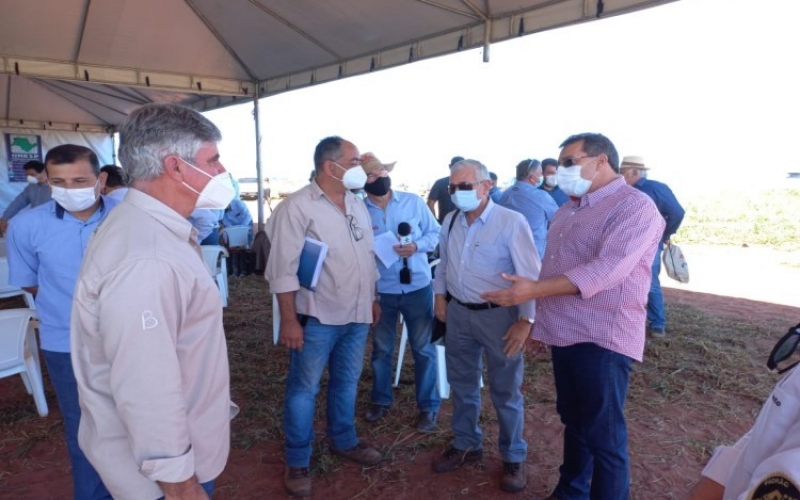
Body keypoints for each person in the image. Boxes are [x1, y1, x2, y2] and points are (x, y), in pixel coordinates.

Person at [70, 103, 238, 500]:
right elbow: (146, 385)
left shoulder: (149, 231)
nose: (221, 170)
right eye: (212, 159)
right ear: (176, 167)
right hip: (162, 480)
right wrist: (179, 485)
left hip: (165, 463)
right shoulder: (148, 257)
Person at [483, 133, 664, 500]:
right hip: (566, 334)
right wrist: (540, 324)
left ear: (601, 161)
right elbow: (555, 268)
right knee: (575, 422)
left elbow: (606, 270)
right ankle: (570, 491)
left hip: (602, 338)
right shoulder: (568, 208)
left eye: (569, 161)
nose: (561, 170)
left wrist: (531, 292)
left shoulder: (634, 207)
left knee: (604, 435)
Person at [265, 136, 382, 497]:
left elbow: (367, 254)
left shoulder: (356, 202)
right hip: (316, 316)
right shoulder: (297, 207)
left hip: (357, 313)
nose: (360, 167)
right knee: (304, 388)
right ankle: (298, 458)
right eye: (354, 160)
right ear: (331, 167)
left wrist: (374, 297)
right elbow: (282, 269)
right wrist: (288, 319)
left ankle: (343, 439)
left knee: (347, 381)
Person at [6, 144, 117, 500]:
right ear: (47, 182)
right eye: (59, 182)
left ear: (100, 180)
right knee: (84, 427)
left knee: (142, 420)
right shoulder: (25, 226)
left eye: (79, 180)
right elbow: (29, 282)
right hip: (66, 343)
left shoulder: (128, 217)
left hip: (132, 338)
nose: (70, 189)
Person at [431, 159, 540, 493]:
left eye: (465, 186)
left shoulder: (510, 222)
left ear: (486, 186)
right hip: (459, 314)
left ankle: (513, 455)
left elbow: (530, 277)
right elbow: (444, 265)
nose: (458, 193)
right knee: (462, 383)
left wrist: (526, 320)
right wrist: (440, 297)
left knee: (505, 390)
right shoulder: (450, 220)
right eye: (453, 187)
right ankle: (466, 443)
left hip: (499, 317)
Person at [360, 152, 442, 432]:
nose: (380, 178)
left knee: (423, 349)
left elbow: (436, 233)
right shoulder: (358, 211)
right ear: (362, 181)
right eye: (372, 175)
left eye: (382, 171)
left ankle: (428, 407)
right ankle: (381, 400)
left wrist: (416, 246)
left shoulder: (413, 202)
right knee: (381, 349)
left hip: (417, 287)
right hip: (382, 290)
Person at [620, 155, 685, 338]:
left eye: (623, 172)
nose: (621, 176)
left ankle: (657, 323)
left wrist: (664, 235)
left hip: (648, 245)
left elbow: (677, 212)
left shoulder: (655, 189)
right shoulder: (623, 191)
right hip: (625, 244)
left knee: (649, 282)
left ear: (633, 172)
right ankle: (631, 319)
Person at [497, 158, 559, 261]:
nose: (542, 177)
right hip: (532, 255)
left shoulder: (505, 194)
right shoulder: (541, 196)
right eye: (540, 174)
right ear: (531, 177)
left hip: (506, 252)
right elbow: (559, 218)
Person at [0, 159, 51, 233]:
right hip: (36, 223)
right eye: (27, 175)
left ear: (44, 173)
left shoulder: (55, 187)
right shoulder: (31, 187)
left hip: (53, 225)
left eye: (32, 175)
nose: (28, 177)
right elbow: (18, 203)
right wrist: (5, 218)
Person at [427, 156, 463, 224]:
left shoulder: (471, 184)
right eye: (456, 166)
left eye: (462, 166)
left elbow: (430, 204)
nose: (459, 168)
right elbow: (430, 204)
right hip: (446, 225)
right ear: (450, 166)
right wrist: (435, 222)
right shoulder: (441, 183)